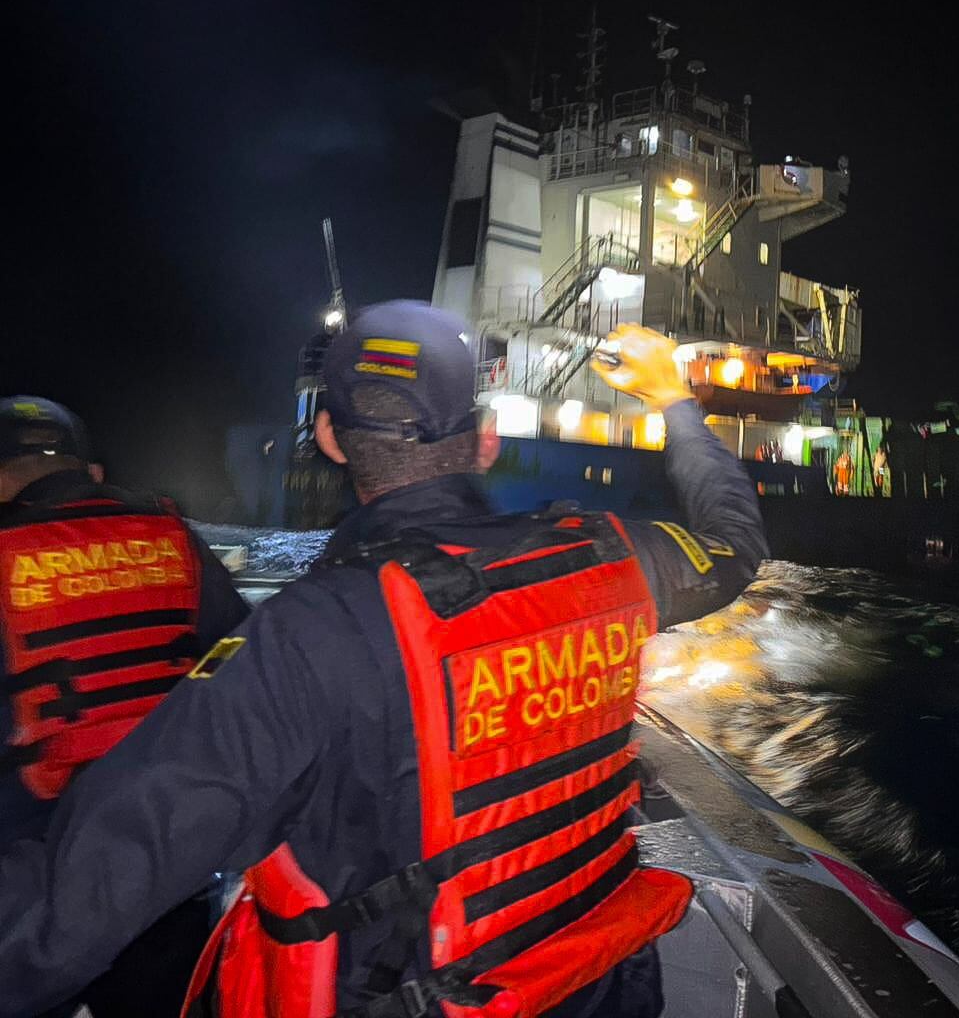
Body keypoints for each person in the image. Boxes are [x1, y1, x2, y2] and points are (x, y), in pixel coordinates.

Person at [0, 305, 768, 1018]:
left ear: (330, 438)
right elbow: (736, 542)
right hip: (599, 984)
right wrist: (672, 398)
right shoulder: (615, 556)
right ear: (486, 438)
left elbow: (83, 895)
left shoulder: (311, 632)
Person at [0, 395, 250, 1017]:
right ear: (93, 472)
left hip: (35, 865)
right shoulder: (171, 533)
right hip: (164, 848)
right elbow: (238, 657)